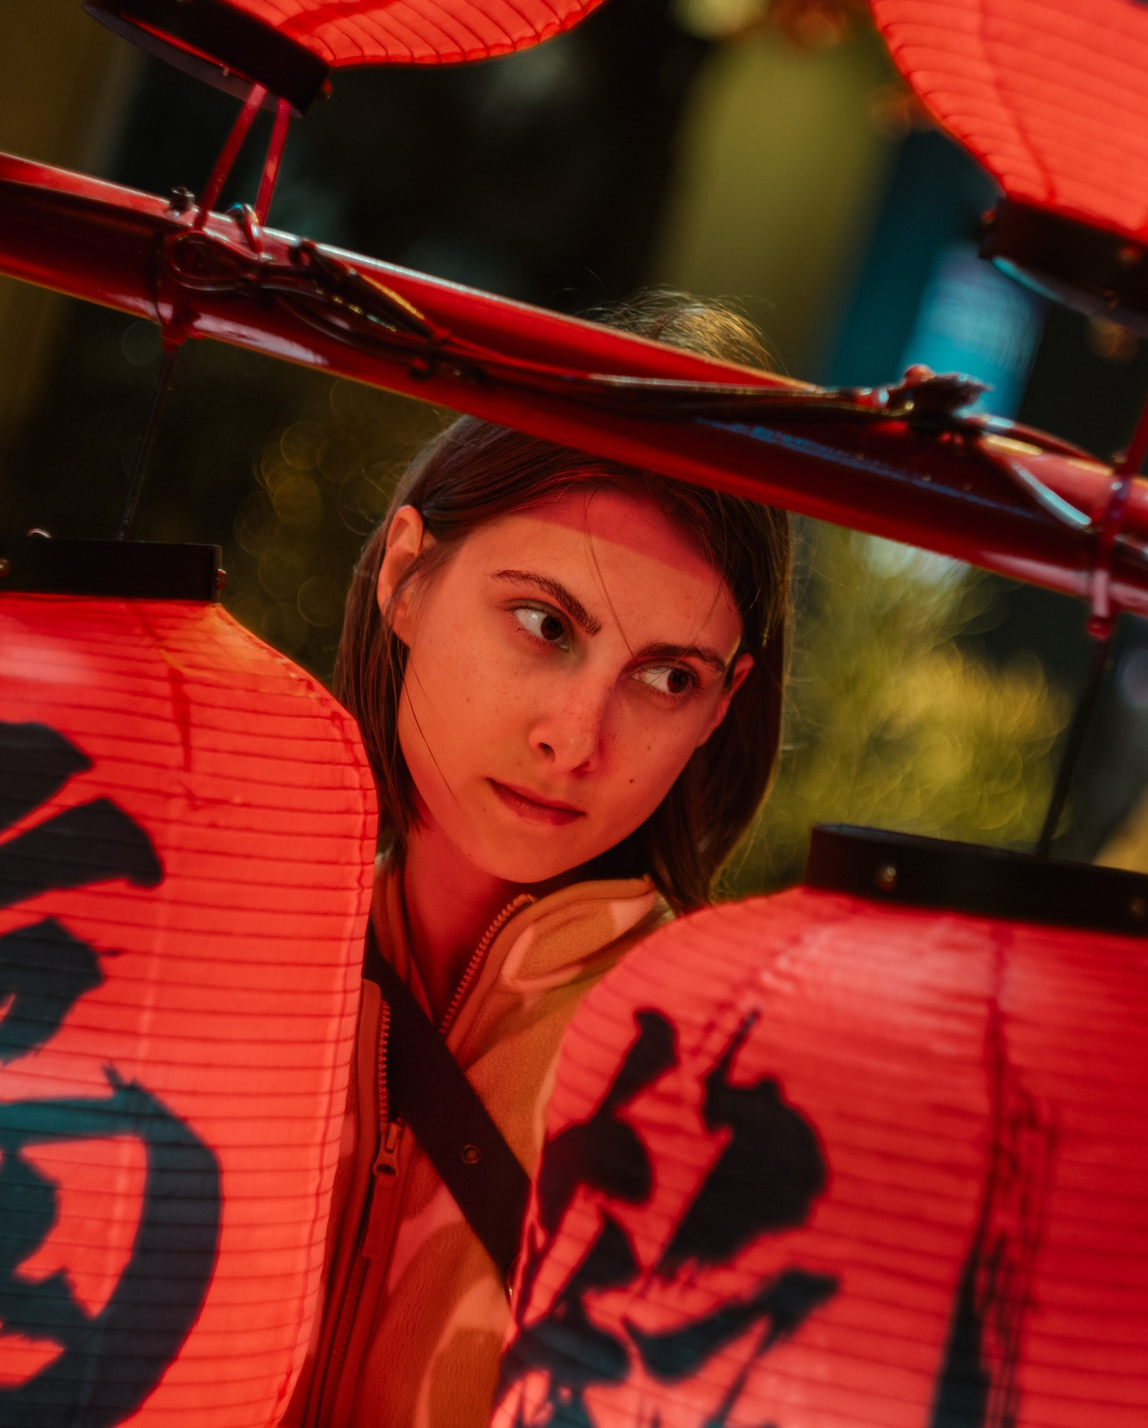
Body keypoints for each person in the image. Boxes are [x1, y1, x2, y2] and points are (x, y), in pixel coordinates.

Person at [283, 294, 793, 1428]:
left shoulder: (707, 1085)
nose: (578, 737)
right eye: (544, 624)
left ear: (723, 707)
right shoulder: (226, 933)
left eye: (669, 679)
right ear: (407, 577)